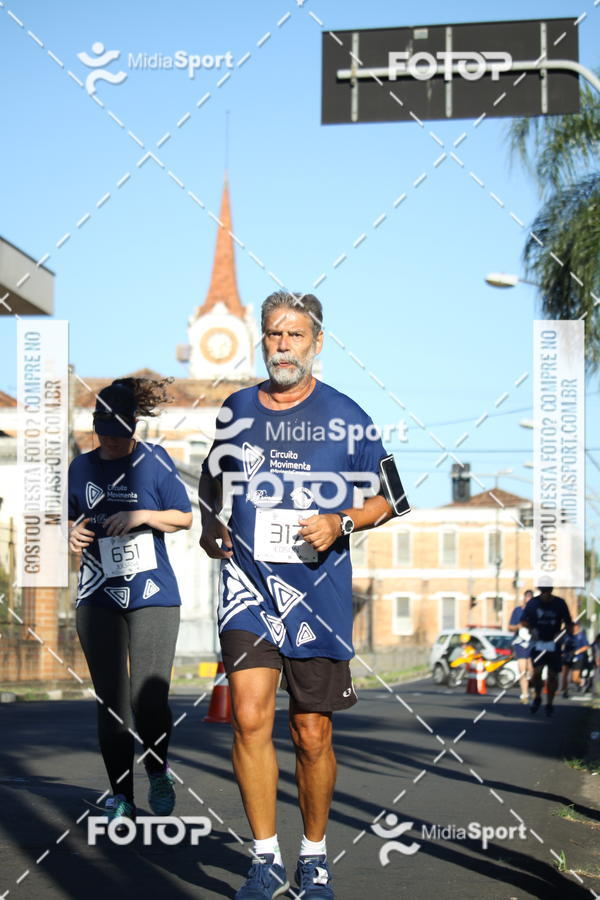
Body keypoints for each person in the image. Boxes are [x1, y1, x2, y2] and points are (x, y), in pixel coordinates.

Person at [198, 291, 405, 899]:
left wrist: (342, 521)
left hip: (317, 595)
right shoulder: (236, 409)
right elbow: (214, 480)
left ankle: (313, 855)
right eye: (272, 335)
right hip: (247, 587)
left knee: (312, 733)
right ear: (261, 340)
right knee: (251, 716)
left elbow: (393, 498)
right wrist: (212, 524)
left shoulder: (348, 417)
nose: (281, 347)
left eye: (294, 336)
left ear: (318, 342)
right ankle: (264, 857)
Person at [68, 376, 192, 826]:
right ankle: (122, 794)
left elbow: (184, 517)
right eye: (106, 435)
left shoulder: (156, 461)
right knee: (112, 700)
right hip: (98, 593)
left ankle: (158, 771)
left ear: (134, 429)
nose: (115, 444)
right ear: (97, 428)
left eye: (122, 437)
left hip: (153, 594)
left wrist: (142, 515)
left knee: (148, 696)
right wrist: (72, 533)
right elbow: (72, 520)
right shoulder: (79, 468)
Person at [520, 577, 573, 716]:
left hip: (553, 644)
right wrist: (532, 629)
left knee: (553, 675)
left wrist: (561, 634)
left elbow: (569, 624)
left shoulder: (560, 604)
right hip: (538, 643)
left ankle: (549, 703)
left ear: (551, 591)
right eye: (543, 592)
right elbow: (523, 621)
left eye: (547, 592)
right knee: (537, 672)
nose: (545, 595)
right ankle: (537, 696)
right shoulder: (533, 603)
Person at [508, 589, 534, 704]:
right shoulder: (517, 611)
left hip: (532, 642)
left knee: (531, 668)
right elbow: (510, 627)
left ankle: (532, 685)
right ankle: (524, 694)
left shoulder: (536, 612)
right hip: (520, 642)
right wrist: (519, 626)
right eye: (526, 600)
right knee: (521, 669)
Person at [569, 623, 591, 692]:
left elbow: (586, 646)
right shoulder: (570, 635)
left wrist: (578, 651)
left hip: (579, 658)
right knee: (570, 678)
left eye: (576, 627)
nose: (574, 628)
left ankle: (583, 682)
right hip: (570, 658)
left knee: (574, 678)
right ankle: (580, 684)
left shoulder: (581, 636)